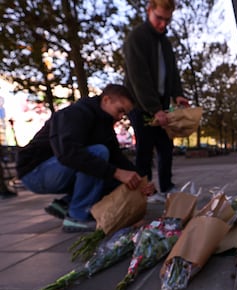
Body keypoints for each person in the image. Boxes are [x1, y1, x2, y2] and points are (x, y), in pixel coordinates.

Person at [16, 84, 154, 232]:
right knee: (100, 155)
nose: (121, 117)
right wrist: (117, 173)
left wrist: (140, 180)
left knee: (112, 172)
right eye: (120, 111)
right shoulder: (75, 114)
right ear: (106, 100)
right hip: (34, 172)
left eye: (124, 114)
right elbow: (68, 154)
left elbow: (118, 159)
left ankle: (67, 203)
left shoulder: (105, 125)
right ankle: (77, 216)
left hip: (56, 169)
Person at [123, 0, 189, 203]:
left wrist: (177, 93)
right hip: (140, 104)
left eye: (167, 20)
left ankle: (167, 186)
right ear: (148, 10)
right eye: (159, 18)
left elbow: (172, 72)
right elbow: (138, 78)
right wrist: (154, 109)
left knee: (165, 146)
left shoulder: (165, 43)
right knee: (144, 147)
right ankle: (146, 191)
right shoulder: (137, 37)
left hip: (160, 103)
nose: (163, 24)